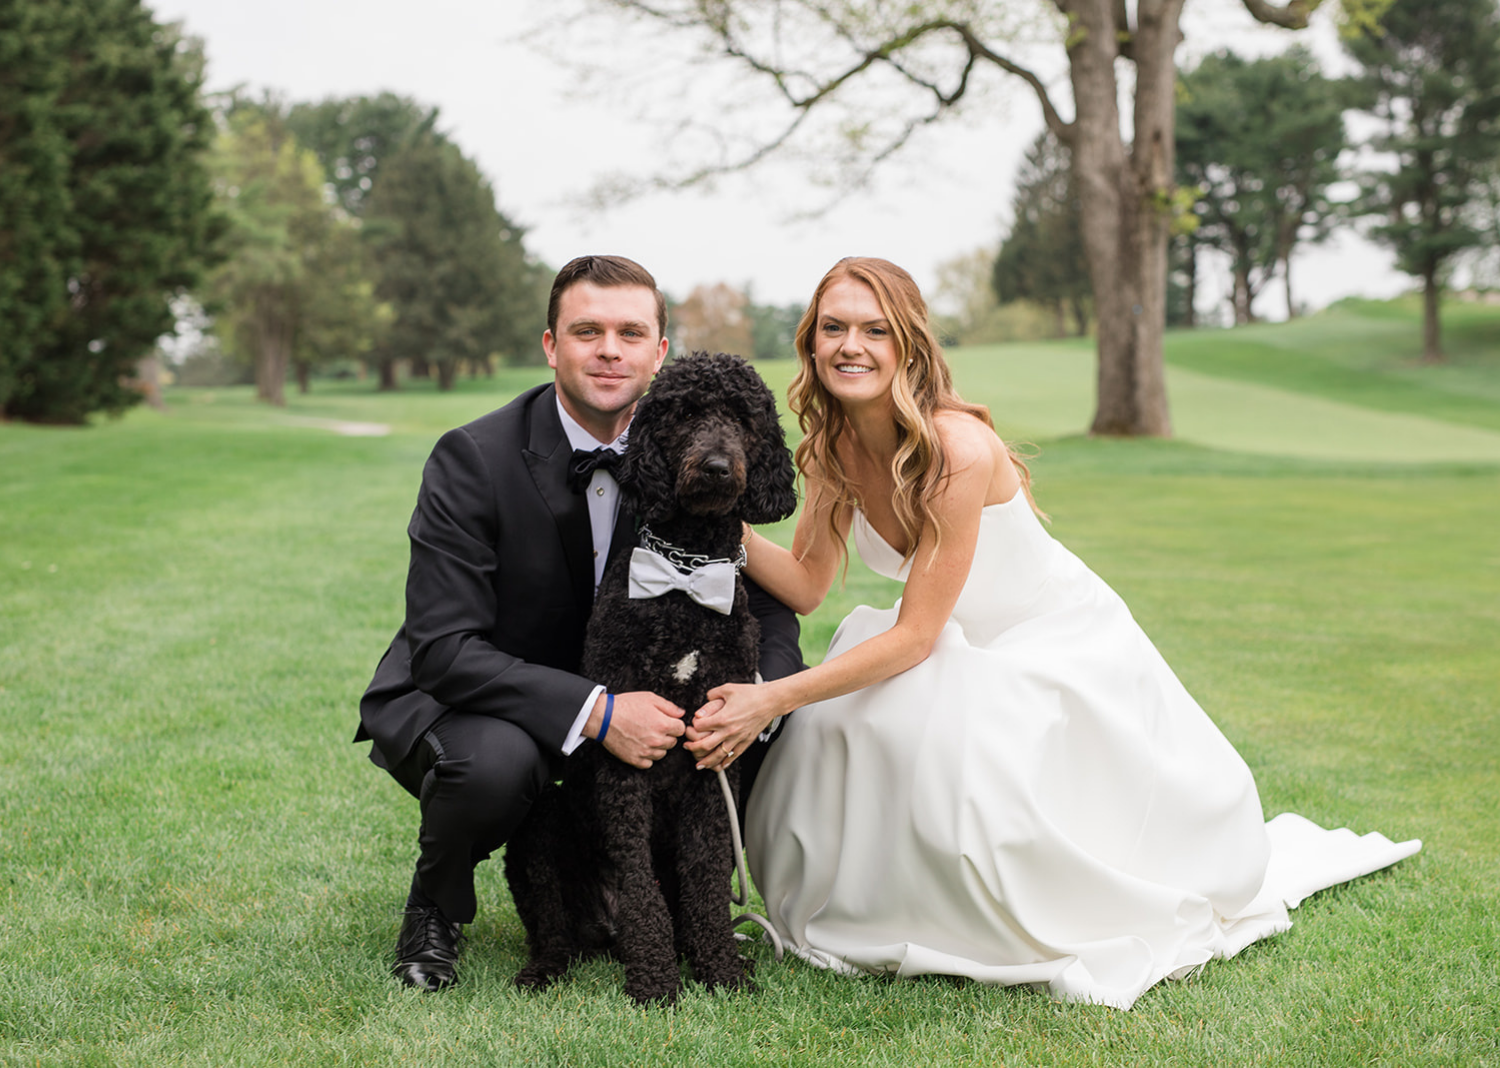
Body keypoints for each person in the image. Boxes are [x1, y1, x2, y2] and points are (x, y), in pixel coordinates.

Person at [686, 257, 1420, 1010]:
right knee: (851, 721)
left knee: (922, 729)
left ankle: (982, 913)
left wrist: (770, 698)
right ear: (810, 344)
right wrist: (712, 521)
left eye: (875, 330)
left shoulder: (958, 450)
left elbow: (913, 637)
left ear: (908, 344)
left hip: (1046, 637)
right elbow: (808, 582)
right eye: (833, 328)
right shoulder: (835, 446)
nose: (852, 346)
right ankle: (879, 904)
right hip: (948, 641)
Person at [356, 254, 803, 992]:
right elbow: (443, 648)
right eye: (587, 330)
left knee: (764, 726)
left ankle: (681, 905)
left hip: (641, 695)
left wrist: (761, 695)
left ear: (659, 353)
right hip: (486, 698)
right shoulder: (473, 458)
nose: (609, 350)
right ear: (550, 345)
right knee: (497, 766)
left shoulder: (683, 448)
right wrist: (595, 712)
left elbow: (763, 599)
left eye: (631, 333)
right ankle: (434, 904)